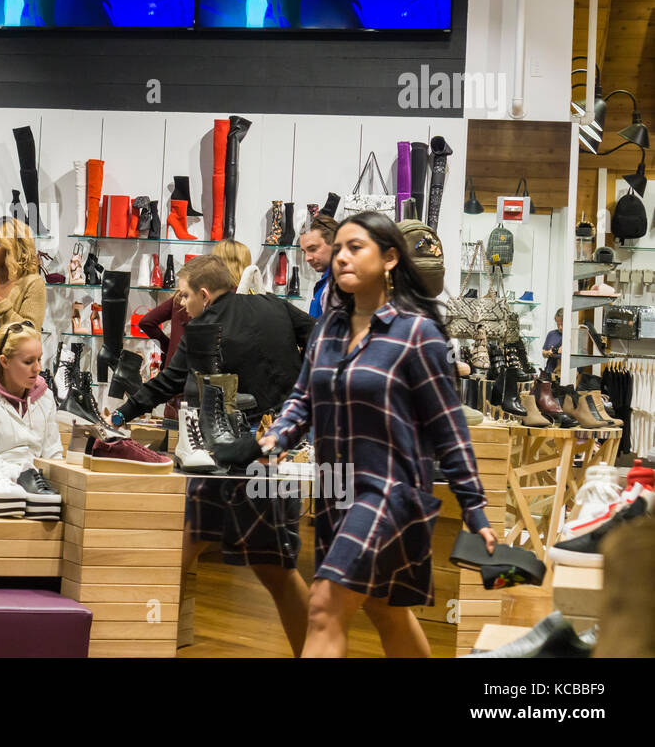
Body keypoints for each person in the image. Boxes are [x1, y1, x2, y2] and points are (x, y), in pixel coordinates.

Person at [260, 211, 497, 658]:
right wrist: (278, 436)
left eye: (356, 248)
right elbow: (303, 398)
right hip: (335, 491)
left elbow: (448, 428)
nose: (341, 258)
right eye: (339, 249)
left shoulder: (417, 333)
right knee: (384, 609)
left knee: (324, 605)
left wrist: (475, 509)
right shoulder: (327, 329)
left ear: (390, 258)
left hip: (390, 493)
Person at [111, 254, 315, 654]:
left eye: (185, 296)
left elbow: (170, 380)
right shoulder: (275, 306)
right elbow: (321, 338)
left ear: (204, 294)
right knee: (267, 568)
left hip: (232, 459)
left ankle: (131, 644)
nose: (181, 306)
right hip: (274, 451)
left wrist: (122, 411)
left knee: (253, 567)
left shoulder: (204, 327)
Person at [0, 320, 61, 480]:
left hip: (38, 486)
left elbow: (53, 454)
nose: (37, 368)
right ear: (4, 361)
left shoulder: (45, 395)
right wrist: (32, 479)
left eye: (39, 359)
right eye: (28, 362)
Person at [299, 213, 338, 319]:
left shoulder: (340, 285)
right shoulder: (326, 282)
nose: (307, 258)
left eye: (313, 249)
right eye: (304, 252)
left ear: (334, 243)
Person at [542, 308, 564, 377]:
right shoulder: (551, 334)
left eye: (562, 324)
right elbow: (543, 353)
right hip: (550, 372)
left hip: (564, 372)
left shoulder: (573, 336)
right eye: (558, 324)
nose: (560, 327)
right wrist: (548, 353)